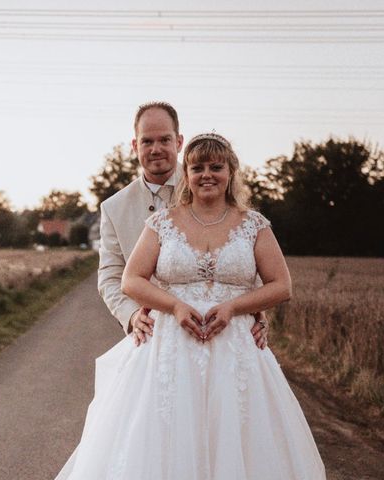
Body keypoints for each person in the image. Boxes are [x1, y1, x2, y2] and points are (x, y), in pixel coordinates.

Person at [0, 132, 352, 480]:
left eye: (216, 168)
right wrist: (174, 304)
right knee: (160, 453)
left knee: (236, 453)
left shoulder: (253, 225)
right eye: (198, 168)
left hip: (236, 357)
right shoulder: (162, 223)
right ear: (187, 173)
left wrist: (237, 307)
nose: (206, 176)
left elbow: (281, 285)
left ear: (231, 173)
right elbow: (132, 280)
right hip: (169, 353)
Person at [96, 101, 268, 348]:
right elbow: (111, 275)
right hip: (155, 337)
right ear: (135, 145)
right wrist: (132, 317)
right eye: (147, 141)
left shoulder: (210, 184)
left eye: (164, 140)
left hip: (227, 334)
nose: (156, 149)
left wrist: (258, 312)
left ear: (178, 142)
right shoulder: (113, 208)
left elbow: (243, 247)